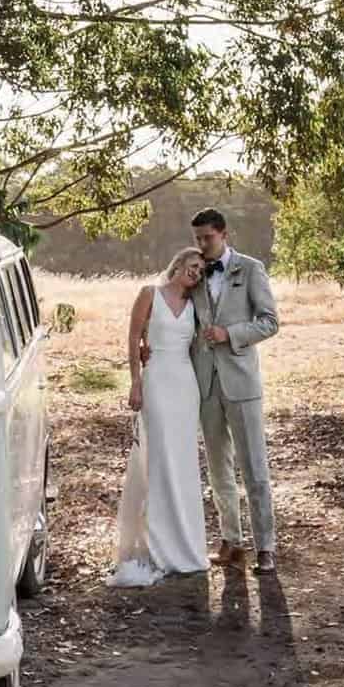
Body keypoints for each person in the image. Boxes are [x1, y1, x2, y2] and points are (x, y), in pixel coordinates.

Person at [107, 248, 210, 587]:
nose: (196, 273)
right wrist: (135, 380)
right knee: (159, 461)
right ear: (177, 264)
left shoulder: (197, 306)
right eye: (192, 266)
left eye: (201, 270)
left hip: (185, 385)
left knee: (183, 464)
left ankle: (188, 545)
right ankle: (157, 544)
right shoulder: (149, 294)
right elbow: (133, 338)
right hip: (156, 382)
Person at [188, 207, 280, 575]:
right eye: (196, 239)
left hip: (241, 382)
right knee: (218, 469)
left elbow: (270, 322)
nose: (201, 245)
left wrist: (231, 334)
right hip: (206, 384)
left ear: (224, 234)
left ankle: (266, 547)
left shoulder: (250, 268)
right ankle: (231, 541)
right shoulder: (194, 272)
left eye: (206, 238)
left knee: (254, 467)